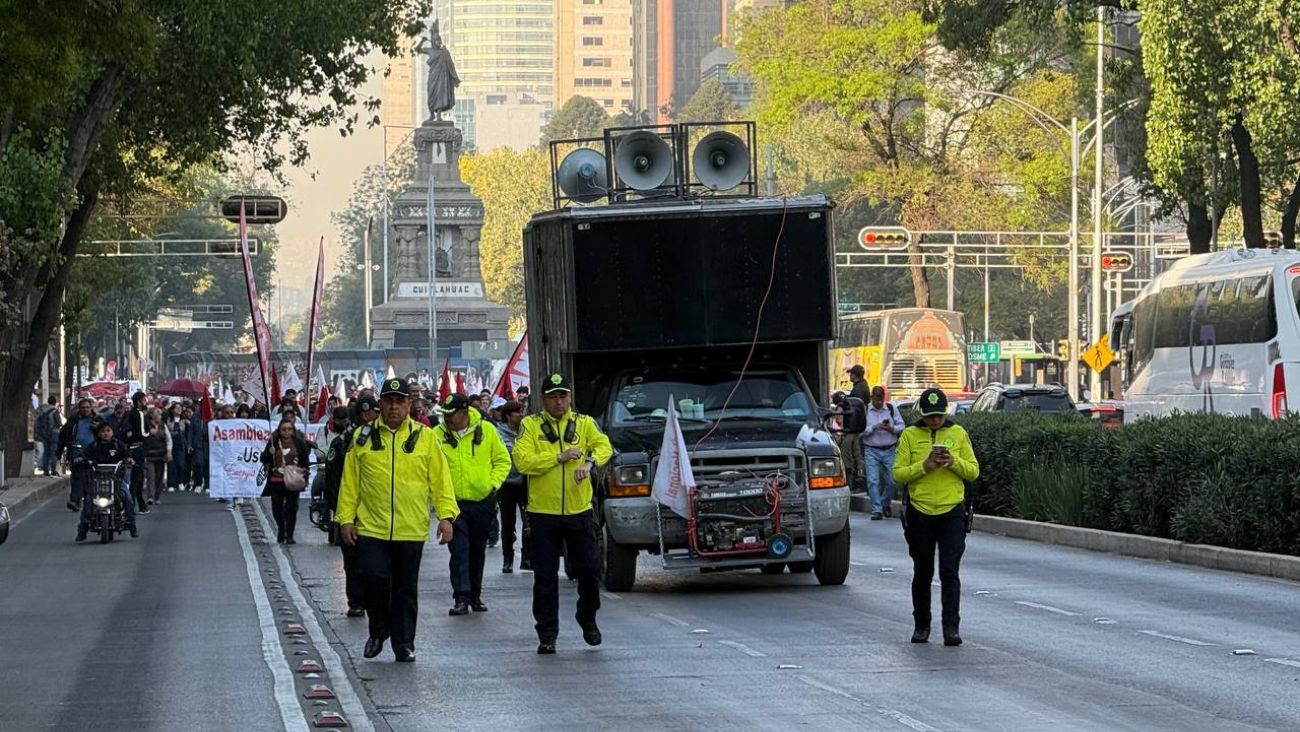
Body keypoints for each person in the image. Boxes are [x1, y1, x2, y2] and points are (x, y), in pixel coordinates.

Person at [337, 378, 458, 663]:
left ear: (409, 405)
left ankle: (403, 643)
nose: (394, 407)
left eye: (400, 401)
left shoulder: (425, 438)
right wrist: (345, 519)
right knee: (374, 580)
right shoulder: (363, 437)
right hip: (371, 526)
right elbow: (350, 482)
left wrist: (446, 516)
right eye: (389, 401)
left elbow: (441, 481)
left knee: (405, 589)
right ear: (380, 404)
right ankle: (378, 631)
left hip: (410, 528)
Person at [512, 373, 613, 655]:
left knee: (591, 571)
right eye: (553, 397)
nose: (559, 402)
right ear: (543, 400)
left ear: (569, 397)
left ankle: (587, 616)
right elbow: (522, 461)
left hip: (579, 511)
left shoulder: (584, 423)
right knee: (545, 578)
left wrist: (590, 461)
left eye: (563, 396)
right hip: (543, 513)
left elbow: (605, 445)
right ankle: (547, 633)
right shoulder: (531, 426)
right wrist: (557, 457)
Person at [893, 388, 979, 647]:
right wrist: (924, 467)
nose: (934, 421)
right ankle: (921, 626)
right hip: (920, 511)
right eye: (930, 417)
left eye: (939, 417)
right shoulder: (909, 435)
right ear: (922, 415)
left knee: (949, 571)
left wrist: (953, 461)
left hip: (952, 510)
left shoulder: (958, 433)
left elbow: (973, 471)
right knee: (922, 571)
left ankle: (951, 628)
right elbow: (898, 474)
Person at [436, 393, 511, 616]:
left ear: (464, 413)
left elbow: (502, 460)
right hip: (453, 503)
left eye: (452, 414)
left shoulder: (486, 431)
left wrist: (492, 484)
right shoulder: (436, 435)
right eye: (445, 414)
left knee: (477, 551)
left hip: (481, 502)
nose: (447, 419)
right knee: (458, 550)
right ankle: (461, 596)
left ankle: (475, 595)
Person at [325, 397, 377, 617]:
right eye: (366, 413)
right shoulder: (344, 441)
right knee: (353, 560)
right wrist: (338, 511)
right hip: (352, 511)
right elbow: (332, 479)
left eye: (373, 412)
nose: (370, 417)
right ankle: (356, 601)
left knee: (374, 561)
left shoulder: (383, 438)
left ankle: (369, 599)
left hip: (376, 510)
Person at [74, 421, 137, 541]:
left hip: (116, 481)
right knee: (88, 501)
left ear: (112, 432)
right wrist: (80, 459)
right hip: (97, 481)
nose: (105, 433)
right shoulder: (93, 446)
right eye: (102, 431)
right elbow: (84, 456)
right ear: (98, 433)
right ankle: (82, 529)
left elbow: (127, 456)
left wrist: (129, 460)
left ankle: (132, 525)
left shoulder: (118, 445)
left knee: (127, 498)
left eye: (108, 431)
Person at [261, 417, 310, 544]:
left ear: (293, 430)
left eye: (289, 429)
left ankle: (290, 534)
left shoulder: (299, 443)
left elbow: (305, 462)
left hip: (293, 480)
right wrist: (269, 452)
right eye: (284, 429)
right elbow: (263, 458)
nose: (286, 432)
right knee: (277, 509)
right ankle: (281, 528)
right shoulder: (274, 442)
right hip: (276, 480)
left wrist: (305, 478)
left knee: (291, 508)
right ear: (279, 431)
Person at [495, 400, 530, 573]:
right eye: (518, 412)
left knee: (528, 521)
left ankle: (527, 557)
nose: (521, 415)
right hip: (507, 483)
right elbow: (510, 451)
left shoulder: (526, 430)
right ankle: (507, 558)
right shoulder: (498, 433)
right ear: (509, 415)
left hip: (525, 481)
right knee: (508, 523)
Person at [864, 386, 906, 520]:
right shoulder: (865, 410)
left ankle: (884, 503)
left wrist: (891, 429)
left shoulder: (891, 409)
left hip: (889, 449)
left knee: (893, 481)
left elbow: (902, 426)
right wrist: (873, 428)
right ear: (872, 398)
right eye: (876, 400)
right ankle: (877, 509)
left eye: (880, 400)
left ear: (884, 398)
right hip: (871, 449)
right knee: (873, 481)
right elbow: (859, 430)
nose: (878, 403)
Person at [58, 399, 99, 512]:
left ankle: (87, 500)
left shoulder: (97, 420)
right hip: (76, 453)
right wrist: (59, 451)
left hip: (92, 454)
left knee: (89, 478)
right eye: (83, 408)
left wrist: (97, 428)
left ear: (91, 408)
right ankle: (75, 500)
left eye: (87, 407)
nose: (85, 410)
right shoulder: (73, 421)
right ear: (79, 409)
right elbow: (63, 435)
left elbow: (107, 433)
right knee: (77, 477)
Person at [119, 391, 151, 513]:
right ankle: (130, 506)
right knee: (136, 478)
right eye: (144, 400)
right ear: (139, 402)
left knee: (138, 477)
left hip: (130, 448)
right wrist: (150, 433)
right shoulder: (139, 414)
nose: (145, 402)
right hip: (138, 449)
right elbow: (142, 433)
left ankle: (141, 505)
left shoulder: (129, 413)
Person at [830, 390, 866, 496]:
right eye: (836, 415)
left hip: (849, 470)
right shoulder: (831, 432)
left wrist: (860, 469)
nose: (838, 417)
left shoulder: (851, 434)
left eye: (841, 414)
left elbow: (857, 454)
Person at [141, 408, 171, 511]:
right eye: (158, 414)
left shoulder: (163, 425)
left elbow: (168, 439)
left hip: (161, 454)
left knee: (159, 476)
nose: (160, 416)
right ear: (152, 416)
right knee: (151, 475)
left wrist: (169, 451)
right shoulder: (146, 425)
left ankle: (157, 496)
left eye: (160, 414)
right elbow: (142, 437)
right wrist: (150, 433)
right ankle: (150, 496)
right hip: (149, 454)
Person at [35, 396, 63, 477]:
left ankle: (45, 470)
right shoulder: (54, 411)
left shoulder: (43, 410)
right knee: (53, 452)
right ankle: (53, 470)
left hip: (44, 434)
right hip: (54, 433)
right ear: (55, 402)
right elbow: (59, 423)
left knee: (46, 452)